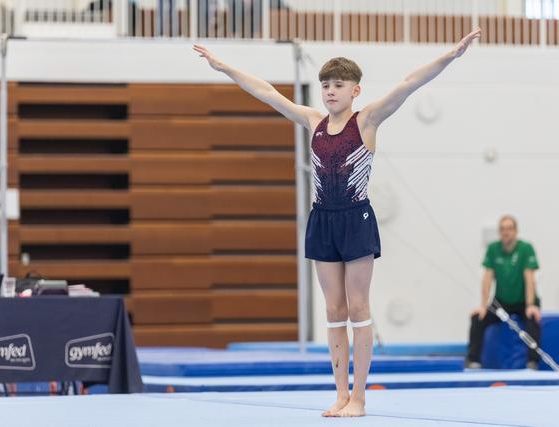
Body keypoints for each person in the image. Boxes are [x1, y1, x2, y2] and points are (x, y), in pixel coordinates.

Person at [194, 28, 481, 417]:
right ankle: (341, 395)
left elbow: (410, 83)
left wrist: (452, 55)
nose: (330, 91)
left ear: (354, 91)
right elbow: (266, 93)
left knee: (358, 305)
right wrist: (224, 66)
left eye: (338, 85)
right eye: (326, 85)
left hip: (356, 219)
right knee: (333, 310)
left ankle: (360, 398)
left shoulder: (367, 121)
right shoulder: (312, 120)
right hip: (322, 219)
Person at [466, 215, 541, 369]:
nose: (506, 232)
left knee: (532, 320)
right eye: (502, 229)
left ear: (516, 231)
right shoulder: (493, 249)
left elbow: (529, 279)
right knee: (478, 318)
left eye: (509, 228)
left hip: (522, 301)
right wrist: (483, 305)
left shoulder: (525, 248)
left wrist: (530, 305)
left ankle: (532, 362)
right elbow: (487, 279)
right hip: (501, 301)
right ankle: (473, 361)